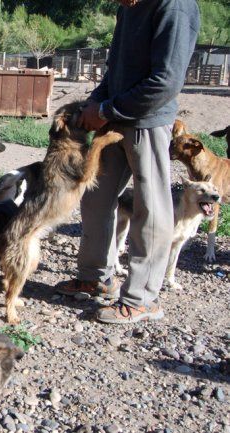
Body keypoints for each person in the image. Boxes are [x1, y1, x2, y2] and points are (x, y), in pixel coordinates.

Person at [56, 0, 200, 324]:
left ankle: (143, 298)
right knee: (95, 198)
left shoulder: (174, 6)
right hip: (113, 120)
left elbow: (165, 82)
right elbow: (115, 72)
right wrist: (95, 103)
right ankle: (96, 278)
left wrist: (105, 110)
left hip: (147, 122)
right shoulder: (129, 7)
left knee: (151, 208)